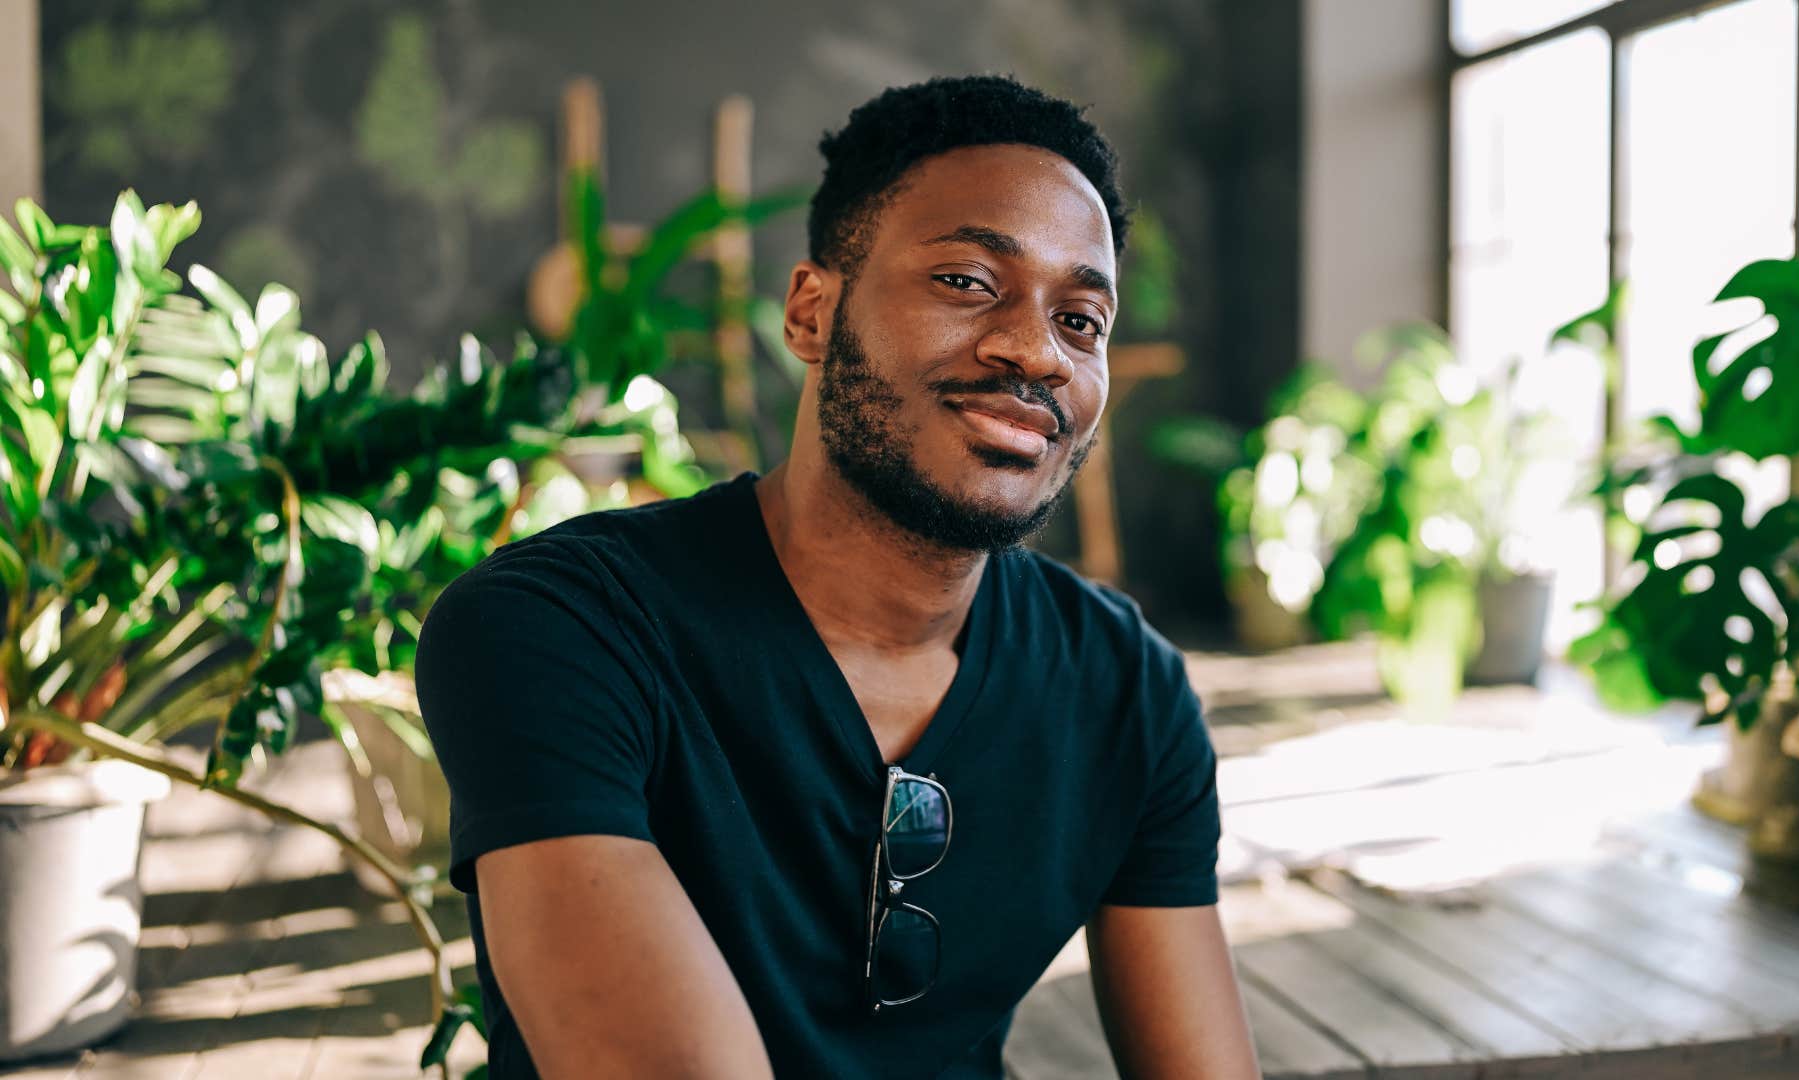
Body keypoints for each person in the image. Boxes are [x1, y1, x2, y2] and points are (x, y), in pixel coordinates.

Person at [415, 72, 1260, 1079]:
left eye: (1081, 321)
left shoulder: (1128, 692)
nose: (1036, 349)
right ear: (814, 313)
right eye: (967, 282)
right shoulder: (557, 629)